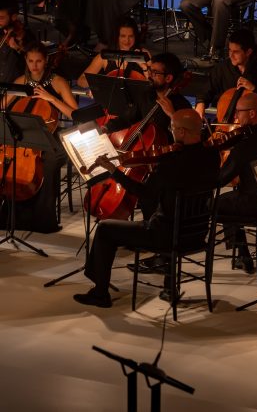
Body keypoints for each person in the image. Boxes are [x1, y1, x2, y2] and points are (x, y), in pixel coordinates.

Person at [72, 109, 220, 308]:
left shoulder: (170, 162)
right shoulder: (211, 156)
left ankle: (100, 293)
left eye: (173, 128)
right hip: (197, 233)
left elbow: (144, 194)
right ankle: (170, 287)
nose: (171, 132)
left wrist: (114, 171)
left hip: (165, 235)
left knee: (105, 229)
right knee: (169, 214)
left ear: (183, 132)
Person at [213, 92, 257, 273]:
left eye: (238, 112)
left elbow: (220, 179)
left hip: (252, 207)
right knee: (231, 199)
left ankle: (243, 255)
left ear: (252, 114)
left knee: (214, 204)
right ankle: (242, 254)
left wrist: (212, 157)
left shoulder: (244, 145)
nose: (235, 117)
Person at [195, 29, 257, 117]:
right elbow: (205, 91)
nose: (230, 55)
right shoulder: (222, 68)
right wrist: (201, 103)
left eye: (236, 52)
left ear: (248, 52)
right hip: (223, 121)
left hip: (252, 126)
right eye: (230, 50)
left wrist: (254, 89)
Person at [9, 43, 78, 120]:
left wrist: (52, 99)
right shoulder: (21, 81)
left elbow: (76, 115)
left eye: (38, 61)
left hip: (50, 129)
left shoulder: (59, 82)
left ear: (46, 59)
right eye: (30, 61)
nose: (34, 66)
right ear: (26, 59)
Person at [76, 17, 150, 88]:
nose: (127, 41)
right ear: (116, 36)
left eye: (131, 36)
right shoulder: (105, 56)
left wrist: (144, 68)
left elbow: (155, 83)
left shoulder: (143, 53)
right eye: (123, 36)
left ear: (135, 36)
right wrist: (98, 85)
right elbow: (81, 80)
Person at [0, 0, 33, 83]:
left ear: (14, 17)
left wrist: (17, 48)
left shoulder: (25, 35)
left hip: (15, 87)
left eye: (1, 18)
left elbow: (35, 61)